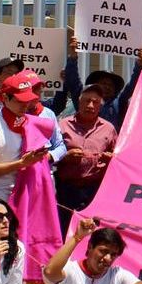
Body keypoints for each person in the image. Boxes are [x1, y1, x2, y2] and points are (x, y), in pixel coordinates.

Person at [0, 71, 54, 202]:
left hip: (30, 195)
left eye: (28, 100)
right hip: (1, 199)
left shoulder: (33, 123)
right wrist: (21, 164)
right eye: (20, 100)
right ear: (5, 98)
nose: (25, 105)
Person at [56, 84, 117, 234]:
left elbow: (118, 160)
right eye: (86, 101)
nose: (90, 105)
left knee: (92, 232)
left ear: (100, 106)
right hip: (66, 189)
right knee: (64, 230)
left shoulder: (109, 129)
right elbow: (49, 156)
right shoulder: (62, 125)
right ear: (79, 101)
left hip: (94, 191)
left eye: (95, 102)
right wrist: (65, 156)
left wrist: (111, 160)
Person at [59, 38, 142, 129]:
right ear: (94, 86)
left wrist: (139, 65)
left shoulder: (119, 103)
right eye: (103, 84)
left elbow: (132, 87)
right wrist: (73, 56)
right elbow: (74, 82)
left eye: (110, 85)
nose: (107, 87)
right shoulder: (84, 100)